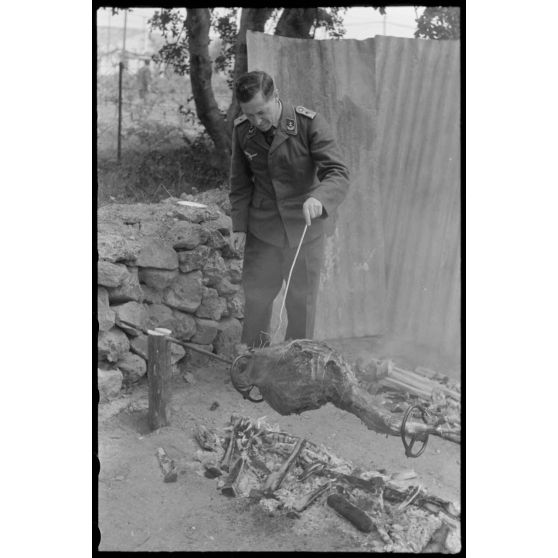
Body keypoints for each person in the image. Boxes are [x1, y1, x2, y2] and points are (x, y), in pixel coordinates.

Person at [229, 70, 350, 349]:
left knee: (301, 304)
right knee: (257, 300)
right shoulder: (242, 132)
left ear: (276, 97)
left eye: (261, 113)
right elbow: (240, 184)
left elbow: (338, 172)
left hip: (304, 230)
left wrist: (320, 198)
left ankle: (294, 363)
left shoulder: (309, 124)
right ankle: (254, 362)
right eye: (249, 115)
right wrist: (239, 226)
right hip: (263, 231)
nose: (257, 122)